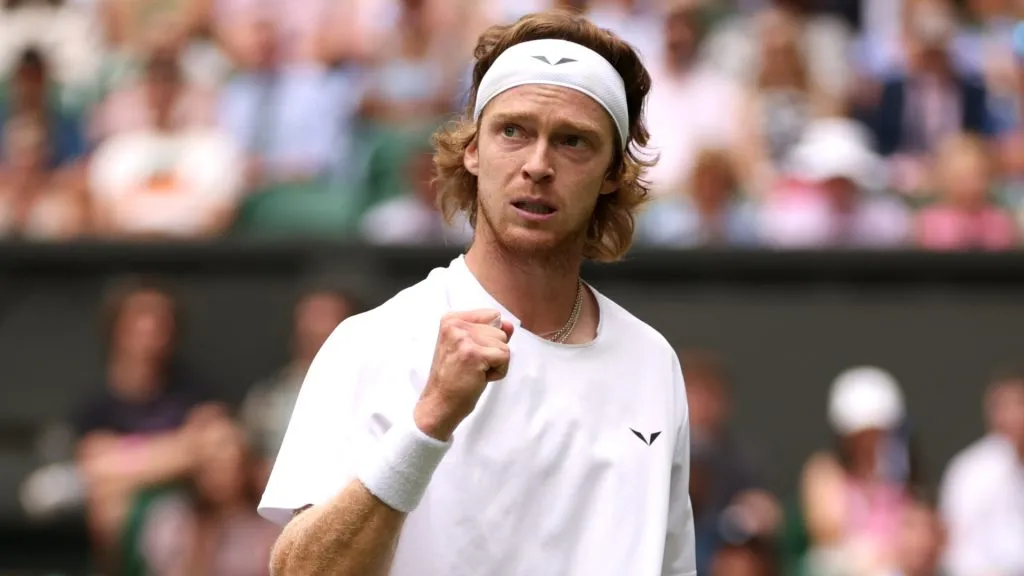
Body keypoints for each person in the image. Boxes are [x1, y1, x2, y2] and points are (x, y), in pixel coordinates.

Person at [258, 9, 696, 576]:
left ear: (612, 172)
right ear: (473, 150)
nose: (537, 165)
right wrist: (429, 422)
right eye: (513, 131)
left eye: (572, 142)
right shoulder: (369, 344)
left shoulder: (652, 362)